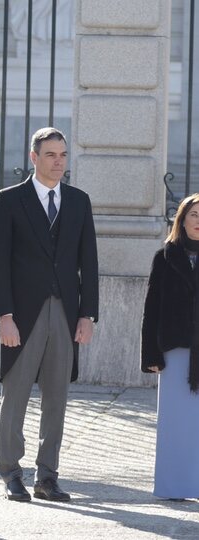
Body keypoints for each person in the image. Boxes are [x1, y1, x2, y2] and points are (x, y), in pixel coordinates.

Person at [0, 127, 98, 503]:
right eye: (51, 154)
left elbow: (89, 264)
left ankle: (47, 476)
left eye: (63, 154)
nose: (59, 162)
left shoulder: (80, 202)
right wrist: (3, 315)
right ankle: (11, 474)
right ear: (33, 157)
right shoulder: (10, 201)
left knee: (57, 398)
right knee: (14, 395)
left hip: (65, 313)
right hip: (22, 314)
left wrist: (88, 316)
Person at [141, 192, 199, 501]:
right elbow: (151, 308)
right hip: (175, 351)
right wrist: (151, 353)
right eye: (194, 215)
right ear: (182, 220)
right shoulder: (165, 256)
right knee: (176, 424)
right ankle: (173, 486)